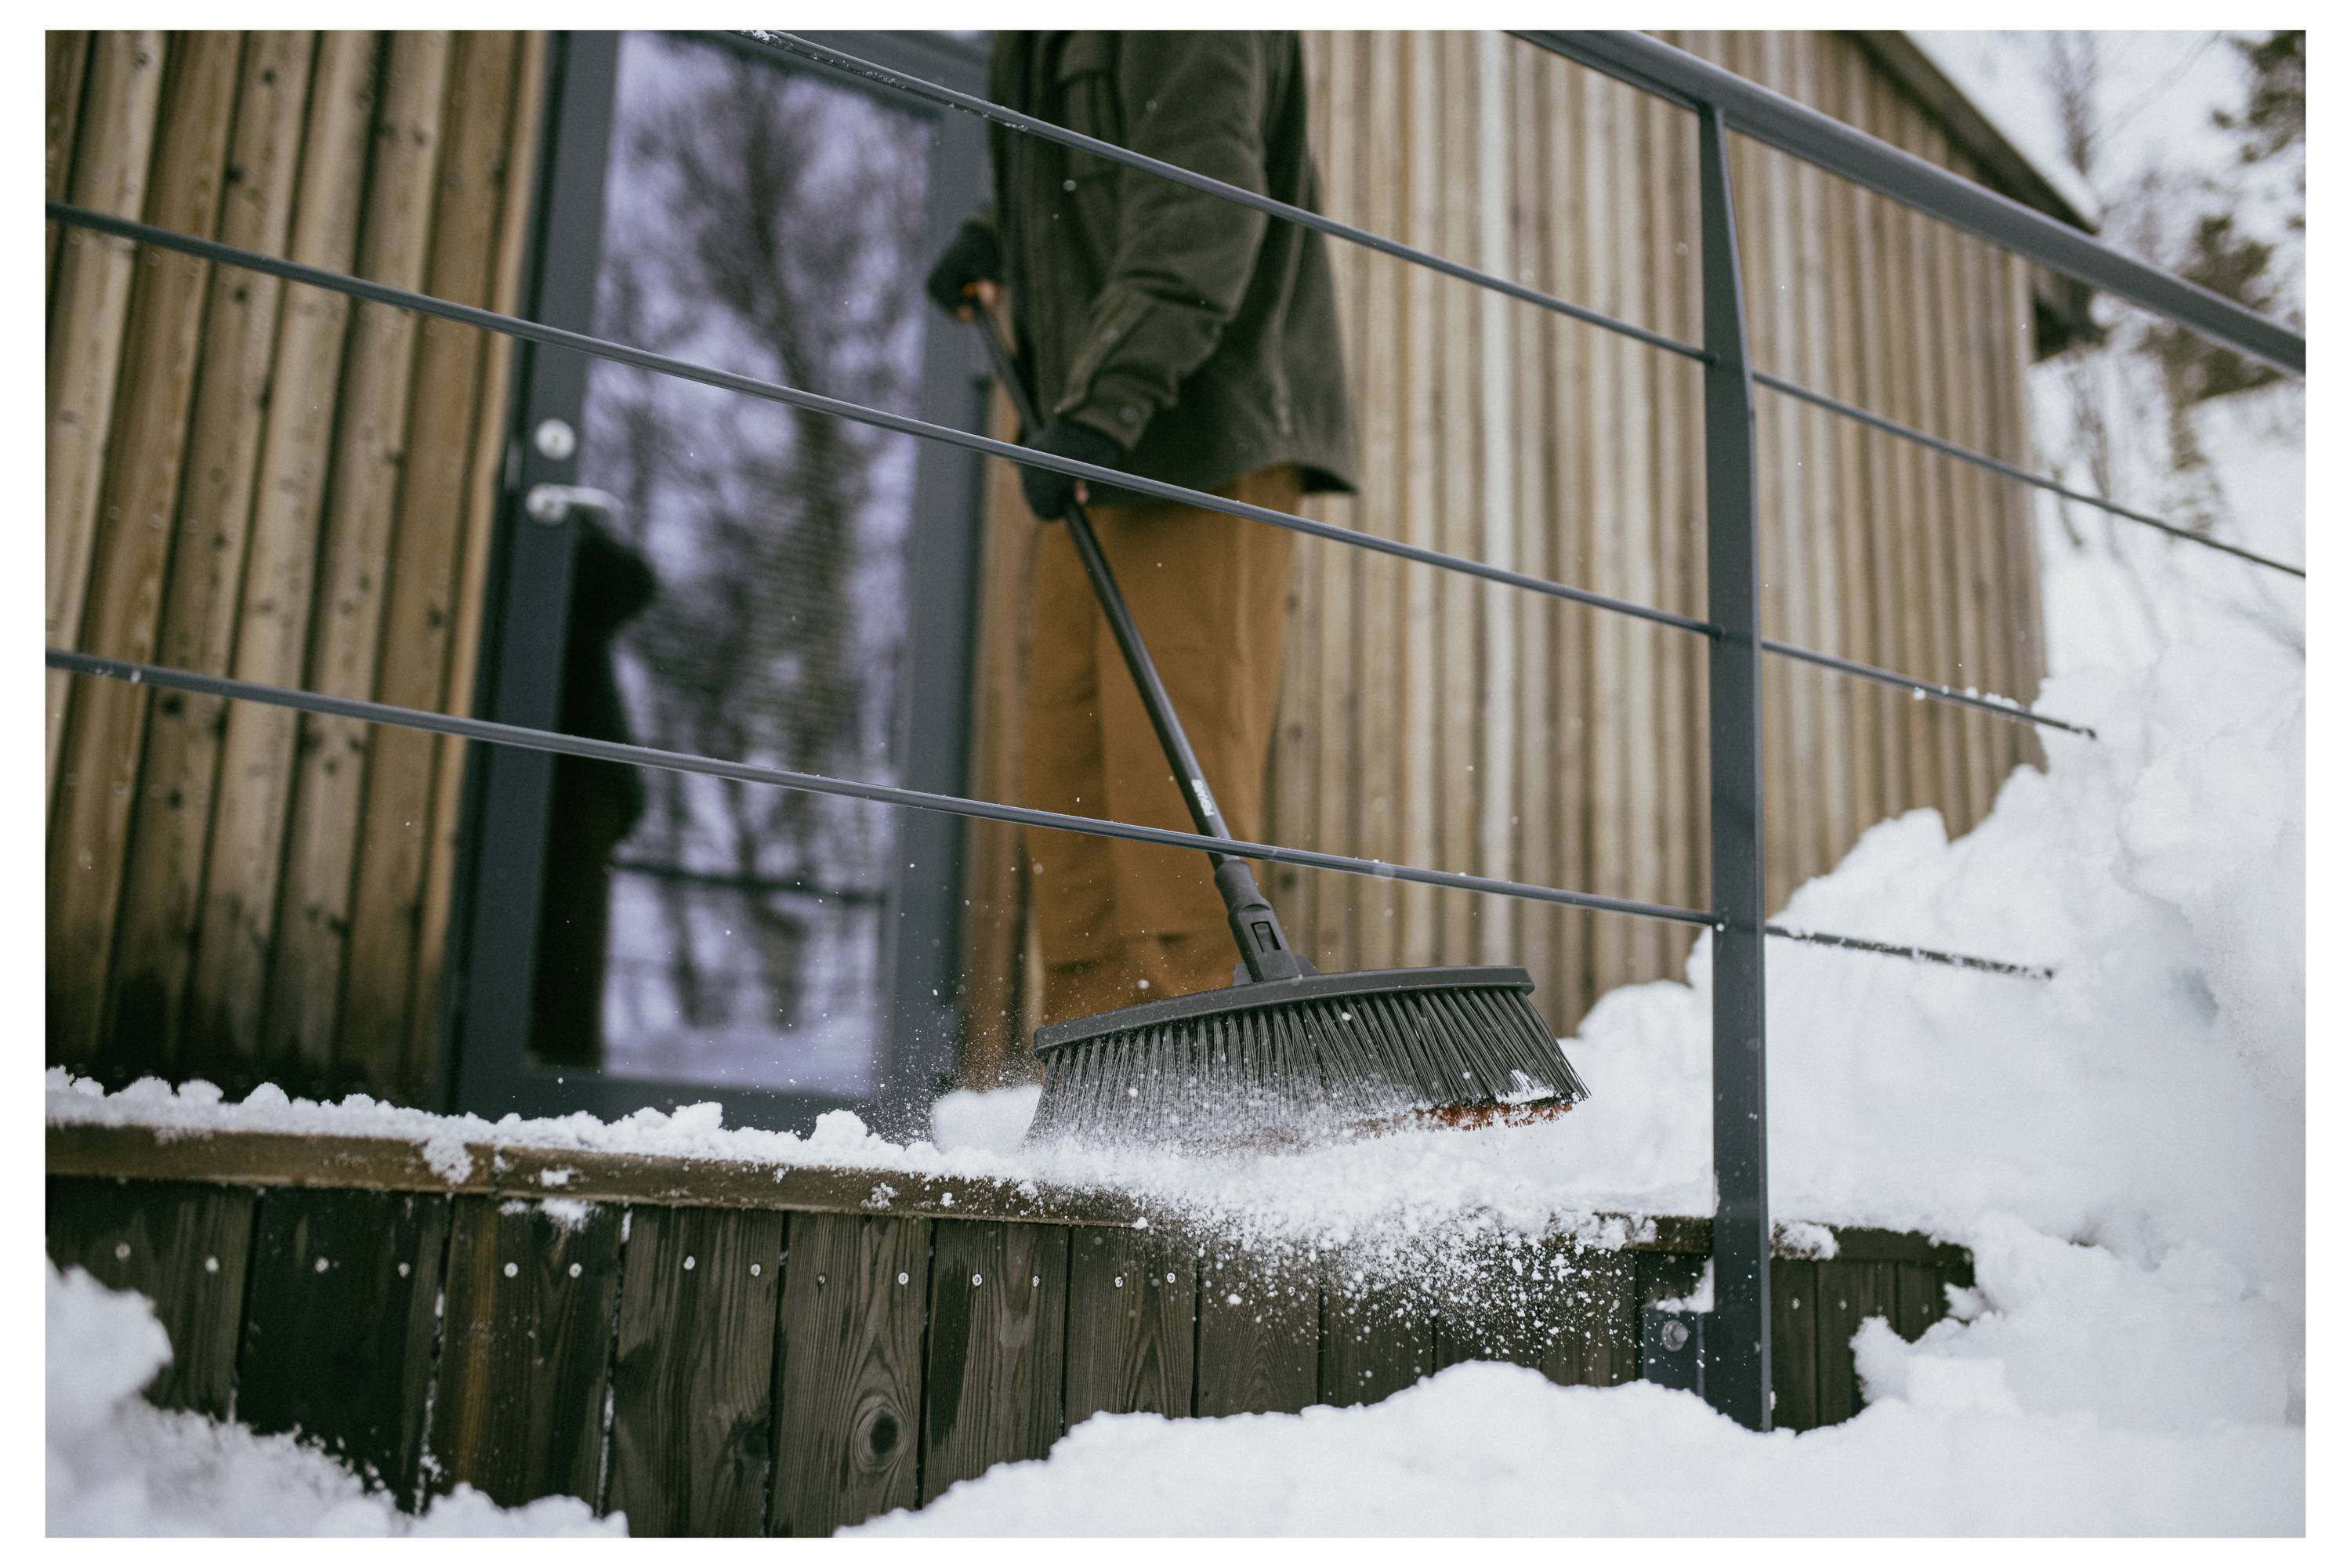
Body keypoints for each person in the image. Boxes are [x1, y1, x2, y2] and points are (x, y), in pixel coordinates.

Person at [927, 31, 1357, 1027]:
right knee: (1070, 769)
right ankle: (1099, 1070)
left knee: (1171, 779)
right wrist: (1004, 228)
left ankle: (1210, 1076)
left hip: (1193, 419)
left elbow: (1202, 197)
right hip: (1106, 429)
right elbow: (1103, 165)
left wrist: (1107, 402)